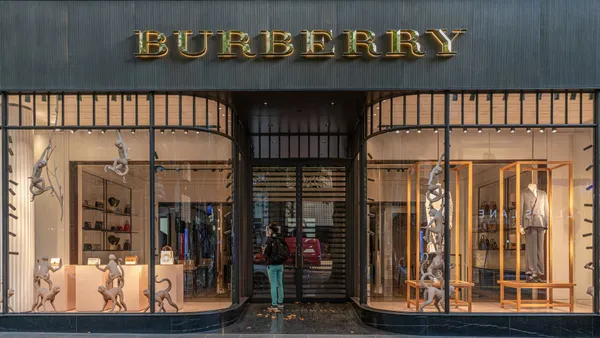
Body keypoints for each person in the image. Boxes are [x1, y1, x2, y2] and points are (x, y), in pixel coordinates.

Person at [263, 222, 289, 312]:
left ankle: (274, 304)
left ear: (270, 231)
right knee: (280, 283)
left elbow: (266, 253)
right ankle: (280, 303)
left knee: (273, 284)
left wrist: (263, 250)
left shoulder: (270, 240)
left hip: (272, 265)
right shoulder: (281, 239)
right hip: (281, 264)